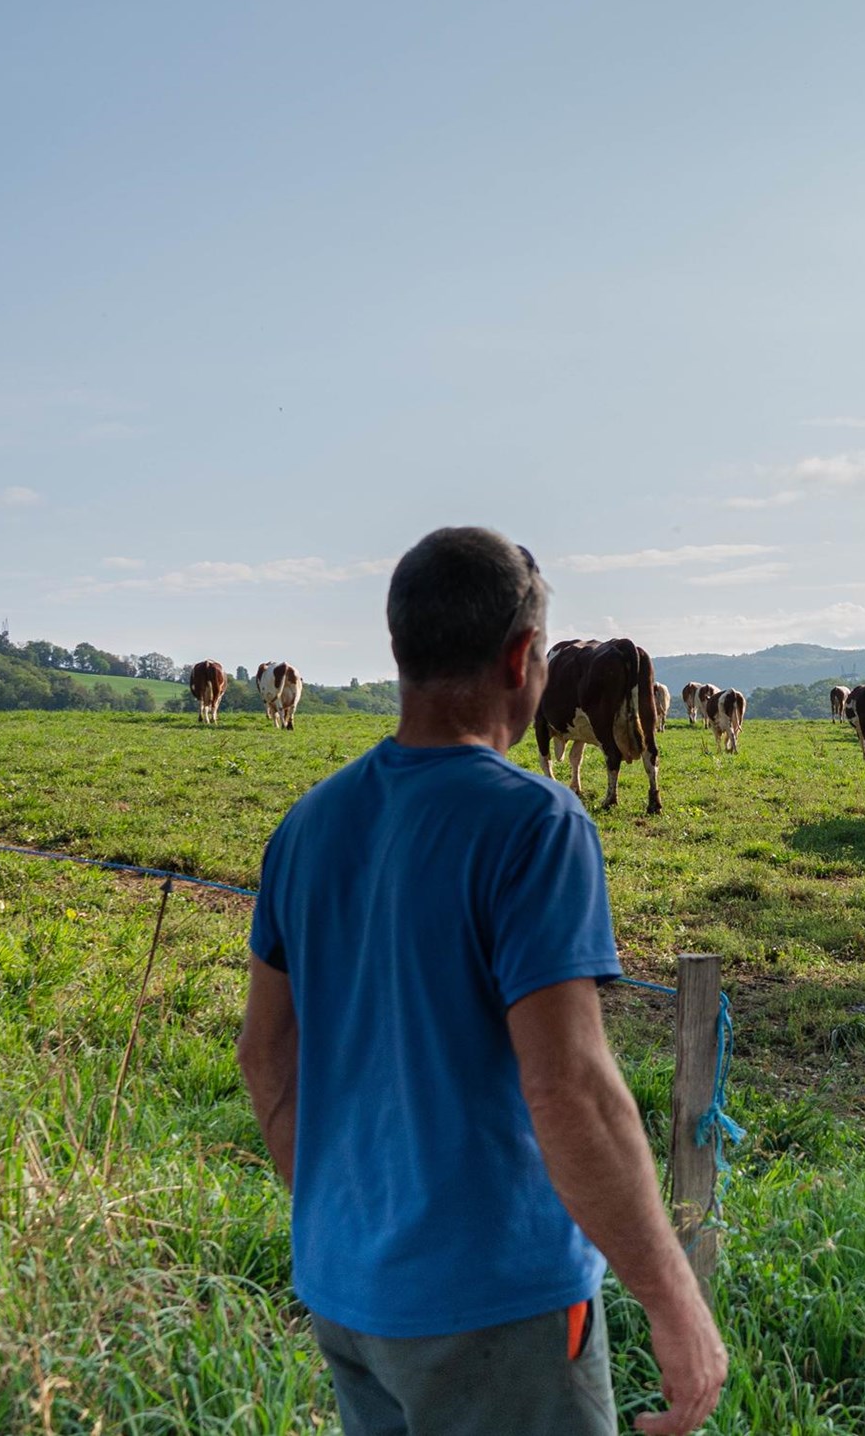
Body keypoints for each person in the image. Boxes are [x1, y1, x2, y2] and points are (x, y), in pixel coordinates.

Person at [236, 526, 727, 1435]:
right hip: (498, 1304)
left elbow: (265, 1053)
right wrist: (672, 1297)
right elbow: (569, 1085)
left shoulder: (306, 828)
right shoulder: (535, 823)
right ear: (521, 660)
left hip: (347, 1295)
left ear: (400, 651)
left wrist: (350, 1222)